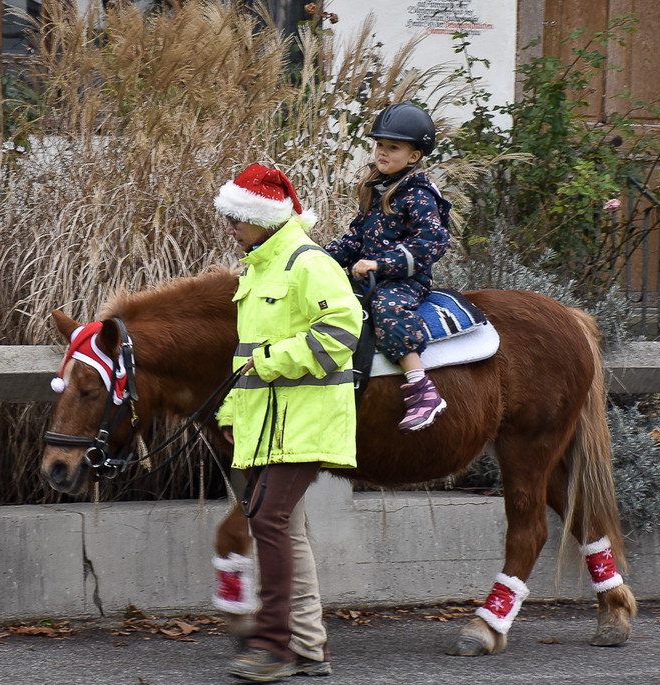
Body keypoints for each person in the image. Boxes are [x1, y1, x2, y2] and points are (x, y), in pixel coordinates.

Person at [214, 163, 362, 682]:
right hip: (269, 423)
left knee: (268, 521)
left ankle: (274, 646)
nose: (229, 227)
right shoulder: (257, 269)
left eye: (236, 218)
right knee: (285, 528)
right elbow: (245, 356)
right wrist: (232, 412)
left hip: (308, 420)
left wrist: (276, 360)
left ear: (265, 218)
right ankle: (307, 647)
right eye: (227, 217)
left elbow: (345, 327)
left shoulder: (308, 262)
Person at [325, 101, 452, 432]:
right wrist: (319, 258)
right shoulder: (375, 187)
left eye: (392, 147)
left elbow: (431, 244)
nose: (382, 152)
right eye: (380, 145)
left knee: (387, 307)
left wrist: (380, 264)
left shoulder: (420, 194)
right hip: (371, 276)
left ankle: (421, 387)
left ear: (413, 156)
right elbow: (355, 239)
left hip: (404, 280)